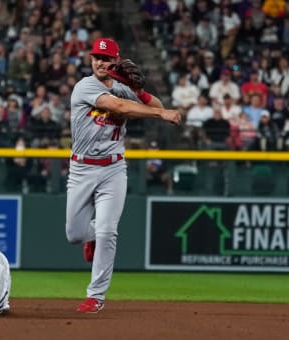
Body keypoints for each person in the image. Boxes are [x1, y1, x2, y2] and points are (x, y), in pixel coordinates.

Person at [65, 38, 181, 313]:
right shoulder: (85, 86)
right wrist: (160, 114)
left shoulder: (122, 87)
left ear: (116, 61)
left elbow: (155, 102)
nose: (100, 62)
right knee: (74, 233)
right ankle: (90, 237)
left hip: (113, 169)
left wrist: (139, 91)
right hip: (81, 168)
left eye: (105, 58)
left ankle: (96, 295)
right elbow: (119, 108)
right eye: (96, 58)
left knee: (107, 231)